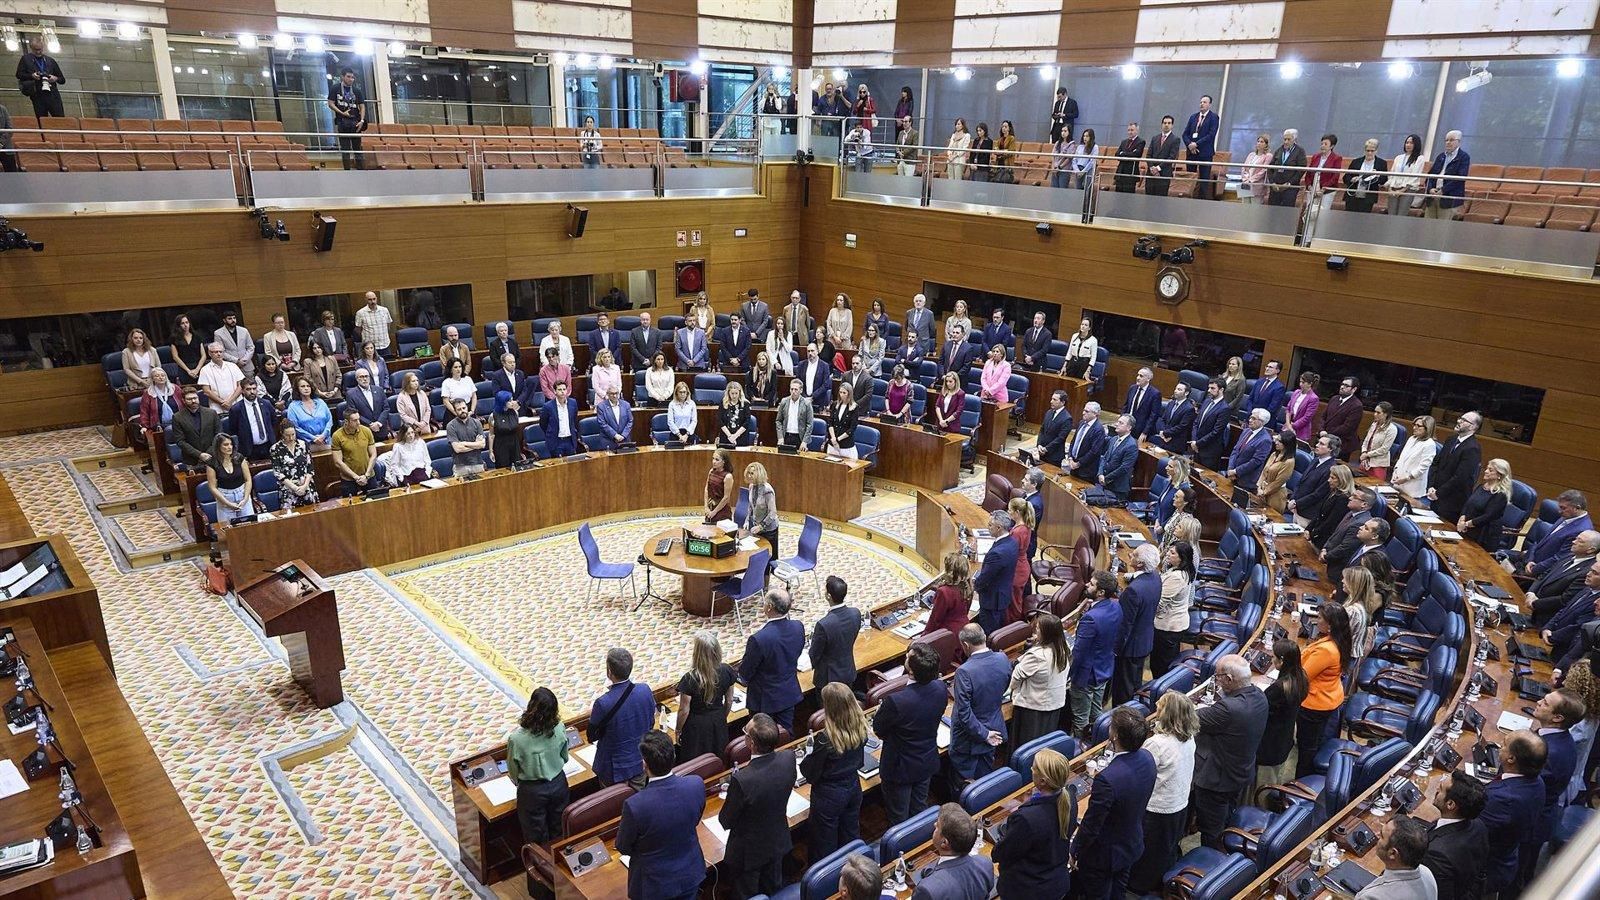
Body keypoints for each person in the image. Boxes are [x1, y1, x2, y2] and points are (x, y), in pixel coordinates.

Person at [1073, 707, 1157, 900]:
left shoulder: (1107, 780)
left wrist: (1075, 850)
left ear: (1115, 735)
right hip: (1130, 845)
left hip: (1103, 857)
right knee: (1118, 892)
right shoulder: (1148, 758)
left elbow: (1092, 825)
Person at [616, 731, 706, 900]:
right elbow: (694, 820)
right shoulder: (696, 784)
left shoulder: (635, 805)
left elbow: (623, 846)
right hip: (690, 873)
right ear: (673, 757)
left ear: (644, 765)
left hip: (654, 886)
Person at [1192, 654, 1269, 848]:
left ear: (1229, 679)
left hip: (1216, 781)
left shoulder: (1228, 708)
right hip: (1240, 773)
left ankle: (1212, 865)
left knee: (1211, 830)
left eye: (1217, 677)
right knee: (1227, 814)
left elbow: (1192, 718)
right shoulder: (1259, 696)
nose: (1216, 680)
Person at [1128, 692, 1199, 895]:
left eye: (1159, 710)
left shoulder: (1157, 744)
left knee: (1149, 851)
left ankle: (1140, 886)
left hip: (1157, 808)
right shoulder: (1189, 737)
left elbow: (1140, 771)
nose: (1156, 713)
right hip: (1180, 802)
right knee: (1166, 847)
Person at [719, 712, 796, 897]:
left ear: (750, 743)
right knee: (773, 889)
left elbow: (726, 820)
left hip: (749, 853)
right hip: (777, 840)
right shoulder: (788, 758)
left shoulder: (743, 779)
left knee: (748, 894)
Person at [874, 643, 947, 827]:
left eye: (908, 657)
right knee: (919, 810)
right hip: (926, 760)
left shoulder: (896, 701)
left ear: (912, 671)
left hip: (899, 768)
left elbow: (879, 729)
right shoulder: (940, 688)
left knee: (899, 818)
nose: (906, 656)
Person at [1520, 688, 1586, 886]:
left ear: (1557, 717)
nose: (1539, 702)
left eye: (1546, 703)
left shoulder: (1551, 751)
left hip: (1530, 826)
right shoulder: (1557, 739)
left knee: (1517, 881)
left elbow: (1525, 789)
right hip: (1536, 819)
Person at [994, 747, 1074, 900]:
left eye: (1034, 767)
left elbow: (1001, 853)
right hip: (1056, 883)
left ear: (1042, 781)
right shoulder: (1069, 798)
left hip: (1029, 891)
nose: (1031, 769)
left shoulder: (1027, 818)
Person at [802, 682, 867, 859]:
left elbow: (809, 772)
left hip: (829, 796)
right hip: (853, 786)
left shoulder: (826, 740)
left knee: (824, 845)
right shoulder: (860, 726)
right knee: (850, 836)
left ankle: (827, 884)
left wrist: (807, 758)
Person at [507, 685, 570, 866]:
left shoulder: (517, 739)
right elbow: (565, 757)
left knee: (536, 838)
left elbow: (513, 771)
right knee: (559, 832)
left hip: (532, 792)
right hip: (558, 784)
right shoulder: (559, 728)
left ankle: (541, 880)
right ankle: (560, 873)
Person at [1481, 731, 1547, 896]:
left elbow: (1470, 830)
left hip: (1483, 870)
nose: (1498, 747)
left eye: (1503, 745)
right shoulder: (1537, 781)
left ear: (1511, 759)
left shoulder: (1501, 799)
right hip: (1507, 857)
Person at [1296, 602, 1352, 777]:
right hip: (1327, 697)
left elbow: (1303, 676)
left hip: (1314, 703)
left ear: (1330, 625)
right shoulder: (1335, 641)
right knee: (1314, 741)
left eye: (1319, 618)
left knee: (1307, 746)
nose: (1316, 620)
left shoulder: (1327, 650)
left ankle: (1301, 783)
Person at [949, 623, 1009, 786]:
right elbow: (1003, 688)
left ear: (966, 645)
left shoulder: (964, 671)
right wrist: (988, 733)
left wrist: (984, 734)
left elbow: (964, 713)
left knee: (965, 785)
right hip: (994, 728)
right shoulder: (1003, 659)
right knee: (985, 781)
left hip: (968, 741)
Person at [1421, 771, 1490, 900]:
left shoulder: (1437, 854)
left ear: (1451, 804)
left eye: (1440, 789)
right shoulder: (1479, 826)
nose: (1436, 789)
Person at [740, 589, 803, 730]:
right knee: (786, 735)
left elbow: (745, 672)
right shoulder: (798, 627)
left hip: (764, 700)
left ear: (769, 607)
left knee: (761, 740)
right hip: (789, 693)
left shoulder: (759, 639)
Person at [1069, 572, 1122, 739]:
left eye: (1091, 584)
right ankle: (1098, 740)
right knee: (1096, 712)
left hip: (1086, 675)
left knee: (1080, 718)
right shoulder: (1116, 606)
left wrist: (1069, 675)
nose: (1087, 585)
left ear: (1101, 592)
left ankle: (1079, 749)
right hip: (1104, 668)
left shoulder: (1091, 618)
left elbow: (1079, 651)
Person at [672, 630, 736, 764]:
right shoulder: (727, 670)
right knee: (718, 757)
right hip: (718, 719)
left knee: (695, 763)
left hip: (696, 726)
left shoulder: (690, 678)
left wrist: (678, 730)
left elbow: (684, 710)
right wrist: (721, 716)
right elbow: (729, 701)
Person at [1009, 612, 1070, 747]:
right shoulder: (1063, 649)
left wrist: (1012, 690)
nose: (1035, 631)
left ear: (1046, 633)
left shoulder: (1037, 656)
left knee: (1027, 746)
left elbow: (1016, 678)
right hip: (1053, 704)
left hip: (1032, 708)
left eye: (1038, 629)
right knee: (1044, 743)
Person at [910, 804, 995, 900]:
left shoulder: (927, 890)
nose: (934, 825)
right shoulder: (985, 864)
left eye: (937, 826)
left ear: (944, 843)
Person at [1256, 639, 1309, 789]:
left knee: (1263, 786)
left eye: (1274, 657)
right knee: (1275, 778)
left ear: (1282, 660)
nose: (1272, 660)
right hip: (1285, 737)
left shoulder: (1280, 688)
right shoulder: (1301, 677)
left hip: (1270, 744)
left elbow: (1262, 708)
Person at [1113, 543, 1161, 705]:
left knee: (1123, 689)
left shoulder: (1133, 591)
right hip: (1145, 640)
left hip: (1130, 648)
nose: (1129, 557)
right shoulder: (1155, 576)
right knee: (1134, 683)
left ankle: (1122, 719)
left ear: (1140, 564)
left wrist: (1115, 650)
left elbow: (1124, 625)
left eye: (1133, 555)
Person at [1355, 816, 1437, 900]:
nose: (1377, 835)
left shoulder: (1374, 896)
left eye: (1382, 836)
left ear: (1393, 853)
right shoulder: (1427, 874)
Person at [1427, 410, 1483, 524]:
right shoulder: (1451, 439)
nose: (1458, 421)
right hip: (1435, 494)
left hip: (1451, 501)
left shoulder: (1473, 448)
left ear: (1473, 427)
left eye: (1464, 420)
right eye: (1460, 418)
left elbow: (1460, 478)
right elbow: (1436, 464)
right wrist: (1431, 486)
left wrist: (1439, 493)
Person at [1151, 543, 1195, 677]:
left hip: (1168, 627)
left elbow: (1160, 604)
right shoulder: (1178, 570)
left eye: (1173, 553)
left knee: (1161, 664)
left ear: (1182, 558)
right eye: (1169, 551)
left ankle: (1160, 692)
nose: (1168, 554)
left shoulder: (1176, 577)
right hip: (1171, 625)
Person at [811, 575, 862, 690]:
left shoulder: (823, 624)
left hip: (828, 680)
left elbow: (814, 655)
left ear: (828, 596)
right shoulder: (856, 613)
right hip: (848, 672)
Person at [973, 510, 1018, 635]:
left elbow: (985, 578)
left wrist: (974, 587)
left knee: (990, 633)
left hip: (992, 601)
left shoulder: (997, 553)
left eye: (990, 525)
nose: (988, 527)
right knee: (998, 630)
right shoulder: (1012, 542)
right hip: (1003, 595)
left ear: (999, 528)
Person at [1459, 458, 1512, 550]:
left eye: (1490, 470)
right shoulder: (1481, 487)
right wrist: (1462, 518)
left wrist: (1466, 524)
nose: (1486, 471)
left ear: (1499, 475)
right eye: (1487, 468)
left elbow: (1488, 516)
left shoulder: (1500, 495)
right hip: (1468, 528)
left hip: (1484, 535)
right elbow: (1468, 504)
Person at [204, 434, 254, 525]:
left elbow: (248, 479)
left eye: (231, 444)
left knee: (249, 527)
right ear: (218, 446)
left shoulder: (239, 458)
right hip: (225, 498)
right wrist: (227, 503)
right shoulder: (212, 463)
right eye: (226, 445)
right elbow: (212, 487)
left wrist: (246, 498)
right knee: (228, 531)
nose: (229, 447)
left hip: (242, 495)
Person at [268, 421, 318, 511]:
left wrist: (305, 486)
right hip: (289, 491)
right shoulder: (275, 449)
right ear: (282, 434)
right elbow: (278, 473)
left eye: (293, 434)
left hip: (306, 487)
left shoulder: (303, 445)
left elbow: (310, 467)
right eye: (287, 435)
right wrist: (295, 488)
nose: (291, 438)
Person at [925, 551, 974, 639]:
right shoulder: (968, 587)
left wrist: (923, 637)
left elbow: (935, 619)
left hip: (948, 634)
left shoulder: (944, 591)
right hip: (964, 631)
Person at [326, 67, 367, 169]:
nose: (351, 79)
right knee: (345, 149)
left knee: (357, 148)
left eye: (352, 77)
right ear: (342, 77)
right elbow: (330, 103)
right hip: (342, 122)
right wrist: (342, 113)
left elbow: (362, 106)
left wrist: (361, 120)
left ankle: (360, 170)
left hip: (355, 122)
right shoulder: (335, 88)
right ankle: (347, 171)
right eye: (348, 77)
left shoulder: (357, 90)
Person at [1424, 129, 1471, 220]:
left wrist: (1443, 190)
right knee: (1428, 227)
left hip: (1449, 198)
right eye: (1446, 140)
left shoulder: (1463, 157)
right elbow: (1430, 175)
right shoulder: (1441, 156)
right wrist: (1430, 189)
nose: (1448, 143)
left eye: (1451, 140)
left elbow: (1460, 178)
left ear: (1459, 142)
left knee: (1443, 228)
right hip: (1433, 196)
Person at [228, 378, 277, 462]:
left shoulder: (266, 404)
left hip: (268, 446)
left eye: (254, 389)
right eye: (248, 389)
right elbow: (234, 431)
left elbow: (274, 423)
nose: (252, 392)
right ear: (242, 391)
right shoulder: (236, 409)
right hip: (249, 450)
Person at [1226, 408, 1272, 490]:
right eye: (1250, 417)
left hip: (1245, 481)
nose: (1250, 420)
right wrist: (1230, 468)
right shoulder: (1246, 431)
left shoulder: (1265, 440)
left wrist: (1236, 471)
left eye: (1253, 418)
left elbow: (1255, 462)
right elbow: (1235, 450)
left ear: (1262, 422)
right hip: (1231, 475)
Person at [1183, 94, 1219, 199]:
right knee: (1190, 178)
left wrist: (1196, 144)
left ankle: (1201, 202)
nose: (1202, 104)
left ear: (1210, 104)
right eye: (1201, 102)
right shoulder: (1193, 117)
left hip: (1205, 153)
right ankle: (1188, 199)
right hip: (1191, 153)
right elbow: (1185, 134)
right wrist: (1190, 144)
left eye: (1204, 102)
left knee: (1204, 180)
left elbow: (1211, 135)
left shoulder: (1213, 117)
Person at [1063, 400, 1107, 481]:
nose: (1083, 413)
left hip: (1086, 471)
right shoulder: (1081, 423)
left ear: (1095, 414)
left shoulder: (1099, 429)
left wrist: (1078, 464)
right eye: (1083, 410)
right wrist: (1070, 458)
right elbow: (1073, 441)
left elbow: (1094, 452)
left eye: (1087, 411)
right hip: (1073, 466)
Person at [1343, 138, 1389, 213]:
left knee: (1363, 219)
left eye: (1372, 151)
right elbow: (1346, 177)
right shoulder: (1356, 161)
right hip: (1352, 195)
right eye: (1368, 150)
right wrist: (1352, 179)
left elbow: (1384, 180)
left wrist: (1377, 176)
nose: (1370, 153)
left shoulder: (1381, 163)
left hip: (1368, 197)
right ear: (1364, 150)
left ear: (1376, 151)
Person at [344, 366, 391, 440]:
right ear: (357, 379)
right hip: (364, 432)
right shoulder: (351, 394)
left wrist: (379, 423)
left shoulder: (379, 390)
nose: (365, 379)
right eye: (361, 377)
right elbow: (353, 413)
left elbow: (386, 408)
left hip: (381, 429)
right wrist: (370, 424)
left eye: (366, 376)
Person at [1387, 133, 1427, 217]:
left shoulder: (1420, 158)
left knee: (1401, 215)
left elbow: (1415, 176)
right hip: (1394, 188)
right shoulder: (1399, 157)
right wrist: (1390, 188)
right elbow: (1392, 173)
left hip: (1408, 189)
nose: (1408, 145)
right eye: (1407, 142)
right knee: (1390, 215)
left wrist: (1402, 190)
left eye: (1411, 143)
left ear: (1416, 145)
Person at [284, 377, 332, 447]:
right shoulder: (293, 407)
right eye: (302, 386)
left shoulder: (320, 402)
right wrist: (313, 438)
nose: (306, 388)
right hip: (306, 444)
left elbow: (329, 421)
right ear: (297, 389)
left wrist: (323, 435)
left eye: (308, 386)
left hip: (326, 441)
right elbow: (295, 428)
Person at [198, 343, 245, 413]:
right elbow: (207, 391)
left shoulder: (233, 366)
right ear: (209, 353)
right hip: (218, 409)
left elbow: (241, 386)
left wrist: (230, 401)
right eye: (216, 352)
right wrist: (223, 403)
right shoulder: (205, 370)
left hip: (237, 405)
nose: (219, 354)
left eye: (221, 351)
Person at [1258, 429, 1297, 513]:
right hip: (1262, 491)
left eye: (1279, 441)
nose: (1276, 442)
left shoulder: (1289, 462)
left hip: (1276, 496)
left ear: (1287, 444)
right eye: (1276, 440)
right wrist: (1259, 487)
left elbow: (1278, 482)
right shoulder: (1274, 454)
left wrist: (1264, 492)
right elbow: (1264, 472)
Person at [1359, 401, 1401, 479]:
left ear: (1386, 414)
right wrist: (1364, 452)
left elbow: (1384, 449)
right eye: (1375, 412)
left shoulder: (1391, 429)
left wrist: (1367, 454)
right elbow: (1366, 441)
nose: (1375, 414)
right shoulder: (1374, 424)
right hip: (1365, 461)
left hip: (1378, 464)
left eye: (1378, 413)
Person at [1267, 129, 1308, 207]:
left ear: (1294, 139)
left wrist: (1289, 183)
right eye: (1284, 139)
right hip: (1276, 186)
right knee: (1272, 211)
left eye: (1289, 139)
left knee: (1287, 212)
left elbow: (1301, 170)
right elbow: (1270, 168)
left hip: (1290, 187)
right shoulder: (1279, 150)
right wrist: (1272, 183)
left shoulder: (1300, 151)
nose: (1286, 142)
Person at [1303, 134, 1344, 212]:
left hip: (1326, 192)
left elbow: (1335, 176)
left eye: (1325, 144)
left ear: (1332, 146)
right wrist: (1309, 186)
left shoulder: (1336, 158)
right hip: (1312, 190)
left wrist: (1322, 189)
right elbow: (1308, 173)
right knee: (1309, 212)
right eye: (1322, 144)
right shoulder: (1315, 156)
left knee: (1323, 214)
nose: (1322, 146)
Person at [445, 399, 486, 475]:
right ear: (455, 411)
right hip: (460, 465)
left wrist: (464, 443)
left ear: (467, 407)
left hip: (477, 463)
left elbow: (482, 445)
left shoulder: (477, 423)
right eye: (459, 409)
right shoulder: (450, 426)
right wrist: (476, 444)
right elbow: (457, 449)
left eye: (464, 408)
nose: (462, 411)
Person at [1033, 390, 1073, 466]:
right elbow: (1042, 430)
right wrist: (1039, 445)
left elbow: (1060, 438)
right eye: (1052, 399)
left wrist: (1046, 449)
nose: (1051, 401)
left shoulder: (1067, 418)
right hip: (1042, 452)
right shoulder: (1049, 412)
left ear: (1063, 402)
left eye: (1055, 400)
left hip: (1054, 456)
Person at [138, 366, 182, 435]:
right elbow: (144, 411)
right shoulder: (148, 393)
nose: (161, 377)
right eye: (157, 376)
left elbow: (184, 404)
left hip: (179, 423)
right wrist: (144, 426)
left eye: (163, 375)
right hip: (159, 427)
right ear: (153, 379)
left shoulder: (175, 389)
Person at [1143, 115, 1179, 197]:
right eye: (1164, 123)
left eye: (1169, 123)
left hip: (1164, 174)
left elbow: (1171, 157)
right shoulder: (1155, 138)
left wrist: (1158, 168)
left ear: (1172, 125)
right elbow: (1148, 155)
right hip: (1151, 174)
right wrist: (1152, 168)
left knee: (1160, 200)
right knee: (1148, 199)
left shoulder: (1175, 139)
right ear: (1161, 124)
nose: (1166, 125)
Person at [541, 381, 580, 457]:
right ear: (555, 391)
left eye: (564, 389)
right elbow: (543, 424)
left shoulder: (573, 403)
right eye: (559, 389)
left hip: (570, 440)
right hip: (556, 441)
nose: (562, 392)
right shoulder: (548, 406)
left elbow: (574, 420)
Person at [487, 392, 523, 469]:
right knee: (503, 468)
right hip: (501, 445)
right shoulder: (493, 416)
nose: (512, 402)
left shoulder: (515, 413)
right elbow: (491, 434)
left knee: (517, 467)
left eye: (512, 400)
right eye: (510, 401)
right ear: (503, 402)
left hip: (514, 444)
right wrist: (491, 451)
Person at [395, 371, 437, 436]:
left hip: (424, 427)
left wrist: (423, 423)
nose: (416, 383)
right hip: (410, 429)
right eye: (413, 381)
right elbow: (403, 415)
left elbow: (428, 409)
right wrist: (416, 423)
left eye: (417, 380)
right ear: (407, 383)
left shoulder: (422, 393)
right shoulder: (401, 397)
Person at [169, 314, 206, 385]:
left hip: (198, 366)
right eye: (182, 323)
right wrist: (188, 371)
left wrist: (197, 369)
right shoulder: (174, 338)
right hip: (184, 368)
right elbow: (175, 357)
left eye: (187, 322)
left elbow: (203, 355)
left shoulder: (197, 336)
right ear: (178, 325)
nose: (185, 325)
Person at [827, 383, 861, 459]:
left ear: (849, 394)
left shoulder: (854, 407)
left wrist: (838, 439)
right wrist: (833, 439)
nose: (842, 395)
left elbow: (852, 428)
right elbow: (830, 422)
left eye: (844, 393)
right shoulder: (835, 404)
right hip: (832, 444)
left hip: (846, 446)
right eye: (840, 392)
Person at [1247, 359, 1287, 424]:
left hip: (1264, 421)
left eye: (1270, 367)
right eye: (1267, 366)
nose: (1267, 369)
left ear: (1277, 370)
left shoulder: (1279, 387)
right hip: (1250, 418)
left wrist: (1258, 418)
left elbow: (1272, 407)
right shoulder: (1259, 381)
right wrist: (1251, 413)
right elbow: (1250, 399)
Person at [1285, 371, 1321, 442]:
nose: (1300, 384)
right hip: (1288, 425)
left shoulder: (1313, 398)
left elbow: (1307, 417)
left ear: (1310, 384)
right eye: (1300, 382)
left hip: (1300, 431)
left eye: (1303, 382)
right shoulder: (1296, 392)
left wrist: (1292, 426)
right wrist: (1288, 424)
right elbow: (1288, 409)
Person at [595, 386, 632, 450]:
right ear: (608, 394)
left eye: (616, 393)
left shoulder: (626, 405)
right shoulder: (601, 406)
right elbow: (602, 423)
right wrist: (615, 435)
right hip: (608, 441)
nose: (614, 396)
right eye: (612, 394)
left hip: (624, 440)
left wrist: (623, 435)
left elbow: (630, 421)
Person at [1237, 133, 1272, 203]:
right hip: (1246, 183)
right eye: (1258, 141)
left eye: (1262, 142)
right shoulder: (1251, 154)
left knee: (1254, 210)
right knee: (1244, 208)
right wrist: (1245, 179)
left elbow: (1263, 171)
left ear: (1266, 144)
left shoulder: (1268, 156)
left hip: (1257, 185)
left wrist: (1251, 180)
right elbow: (1244, 168)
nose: (1259, 143)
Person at [701, 449, 733, 524]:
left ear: (724, 461)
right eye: (713, 458)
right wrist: (706, 507)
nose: (714, 461)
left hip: (721, 511)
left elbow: (726, 497)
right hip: (710, 507)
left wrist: (714, 512)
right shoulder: (711, 471)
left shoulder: (728, 476)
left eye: (717, 459)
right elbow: (706, 489)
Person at [1113, 122, 1146, 193]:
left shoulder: (1141, 142)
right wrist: (1128, 153)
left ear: (1137, 130)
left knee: (1128, 197)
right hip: (1120, 172)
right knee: (1117, 195)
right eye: (1129, 130)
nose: (1130, 132)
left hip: (1131, 173)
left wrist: (1123, 153)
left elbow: (1136, 154)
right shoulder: (1123, 142)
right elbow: (1117, 154)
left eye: (1132, 130)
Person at [797, 342, 833, 409]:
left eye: (812, 351)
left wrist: (812, 397)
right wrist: (804, 397)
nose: (810, 353)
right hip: (803, 400)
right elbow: (798, 382)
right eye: (808, 351)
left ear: (817, 351)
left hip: (819, 402)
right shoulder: (801, 365)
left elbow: (826, 384)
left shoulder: (824, 366)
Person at [665, 380, 697, 444]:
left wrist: (686, 435)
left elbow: (694, 421)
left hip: (688, 435)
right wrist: (679, 435)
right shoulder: (672, 404)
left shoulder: (692, 404)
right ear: (676, 393)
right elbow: (670, 421)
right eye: (680, 392)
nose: (682, 394)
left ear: (687, 393)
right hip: (676, 435)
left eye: (684, 392)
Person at [946, 118, 972, 182]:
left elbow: (964, 148)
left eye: (958, 124)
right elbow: (949, 147)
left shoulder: (967, 135)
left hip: (959, 160)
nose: (956, 126)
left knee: (957, 180)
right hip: (950, 159)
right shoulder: (953, 135)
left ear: (963, 125)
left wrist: (955, 156)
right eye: (956, 124)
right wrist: (949, 155)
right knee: (950, 179)